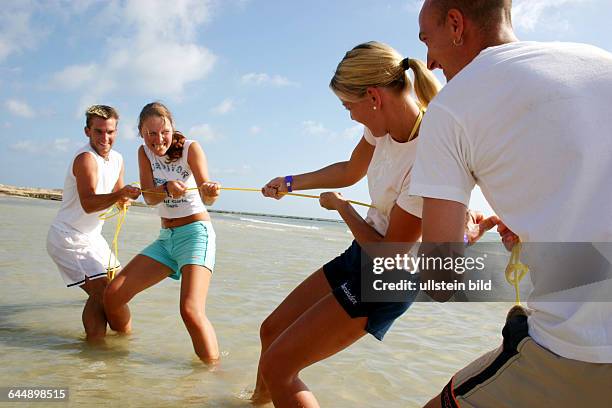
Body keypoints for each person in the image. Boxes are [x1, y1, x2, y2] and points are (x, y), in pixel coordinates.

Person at [412, 1, 612, 406]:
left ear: (455, 23)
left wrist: (465, 236)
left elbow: (440, 280)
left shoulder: (450, 108)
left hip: (581, 351)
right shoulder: (599, 59)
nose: (428, 62)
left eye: (426, 41)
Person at [250, 41, 442, 407]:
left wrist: (342, 209)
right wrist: (290, 183)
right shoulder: (383, 126)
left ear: (373, 97)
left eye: (347, 106)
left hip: (390, 275)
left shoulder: (429, 154)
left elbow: (390, 252)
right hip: (362, 254)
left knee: (279, 366)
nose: (350, 116)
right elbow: (350, 170)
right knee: (271, 332)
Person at [103, 102, 221, 363]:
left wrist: (210, 192)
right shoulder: (143, 152)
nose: (159, 140)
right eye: (151, 134)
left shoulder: (191, 148)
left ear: (172, 128)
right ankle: (120, 353)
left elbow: (207, 197)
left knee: (190, 311)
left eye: (164, 132)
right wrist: (166, 187)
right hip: (166, 240)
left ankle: (212, 376)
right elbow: (149, 198)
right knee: (113, 295)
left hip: (195, 235)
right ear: (141, 133)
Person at [46, 105, 141, 341]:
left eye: (110, 132)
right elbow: (88, 203)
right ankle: (103, 347)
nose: (104, 138)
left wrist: (124, 199)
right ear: (87, 131)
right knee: (104, 293)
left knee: (118, 292)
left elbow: (118, 192)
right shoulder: (85, 159)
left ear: (116, 132)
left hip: (93, 238)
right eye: (98, 131)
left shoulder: (117, 158)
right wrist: (119, 196)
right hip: (68, 237)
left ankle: (110, 345)